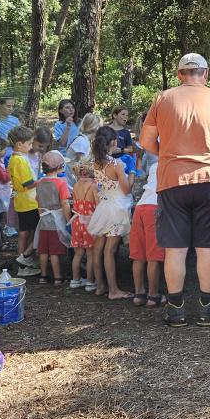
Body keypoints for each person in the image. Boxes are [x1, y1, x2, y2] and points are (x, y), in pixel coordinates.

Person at [141, 53, 210, 327]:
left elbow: (145, 140)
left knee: (175, 249)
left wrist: (168, 154)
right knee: (207, 247)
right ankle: (206, 310)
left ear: (179, 75)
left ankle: (176, 310)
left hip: (172, 181)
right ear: (205, 73)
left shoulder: (163, 99)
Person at [85, 126, 134, 300]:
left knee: (98, 248)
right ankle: (113, 290)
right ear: (113, 142)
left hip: (104, 207)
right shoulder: (117, 165)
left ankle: (100, 286)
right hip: (117, 208)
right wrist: (132, 174)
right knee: (109, 250)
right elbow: (126, 190)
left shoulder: (95, 163)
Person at [129, 158, 164, 308]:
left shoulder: (155, 164)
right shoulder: (172, 164)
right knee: (153, 256)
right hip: (155, 207)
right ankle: (153, 295)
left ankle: (139, 294)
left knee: (138, 255)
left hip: (141, 206)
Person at [8, 126, 42, 277]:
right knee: (38, 231)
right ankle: (24, 259)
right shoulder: (20, 161)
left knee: (24, 232)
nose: (31, 146)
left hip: (21, 201)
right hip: (29, 202)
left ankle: (24, 263)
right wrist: (43, 180)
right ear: (19, 144)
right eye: (29, 143)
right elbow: (28, 183)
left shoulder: (14, 158)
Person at [33, 151, 71, 284]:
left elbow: (37, 201)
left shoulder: (39, 182)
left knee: (43, 250)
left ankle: (43, 276)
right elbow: (65, 203)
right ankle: (57, 277)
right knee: (54, 251)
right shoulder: (61, 183)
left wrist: (41, 216)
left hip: (43, 219)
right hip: (56, 220)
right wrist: (68, 220)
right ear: (60, 167)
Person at [68, 172, 98, 290]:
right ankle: (90, 282)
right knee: (90, 253)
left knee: (78, 253)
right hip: (89, 222)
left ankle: (75, 280)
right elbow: (98, 204)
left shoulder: (75, 185)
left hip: (76, 221)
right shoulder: (93, 186)